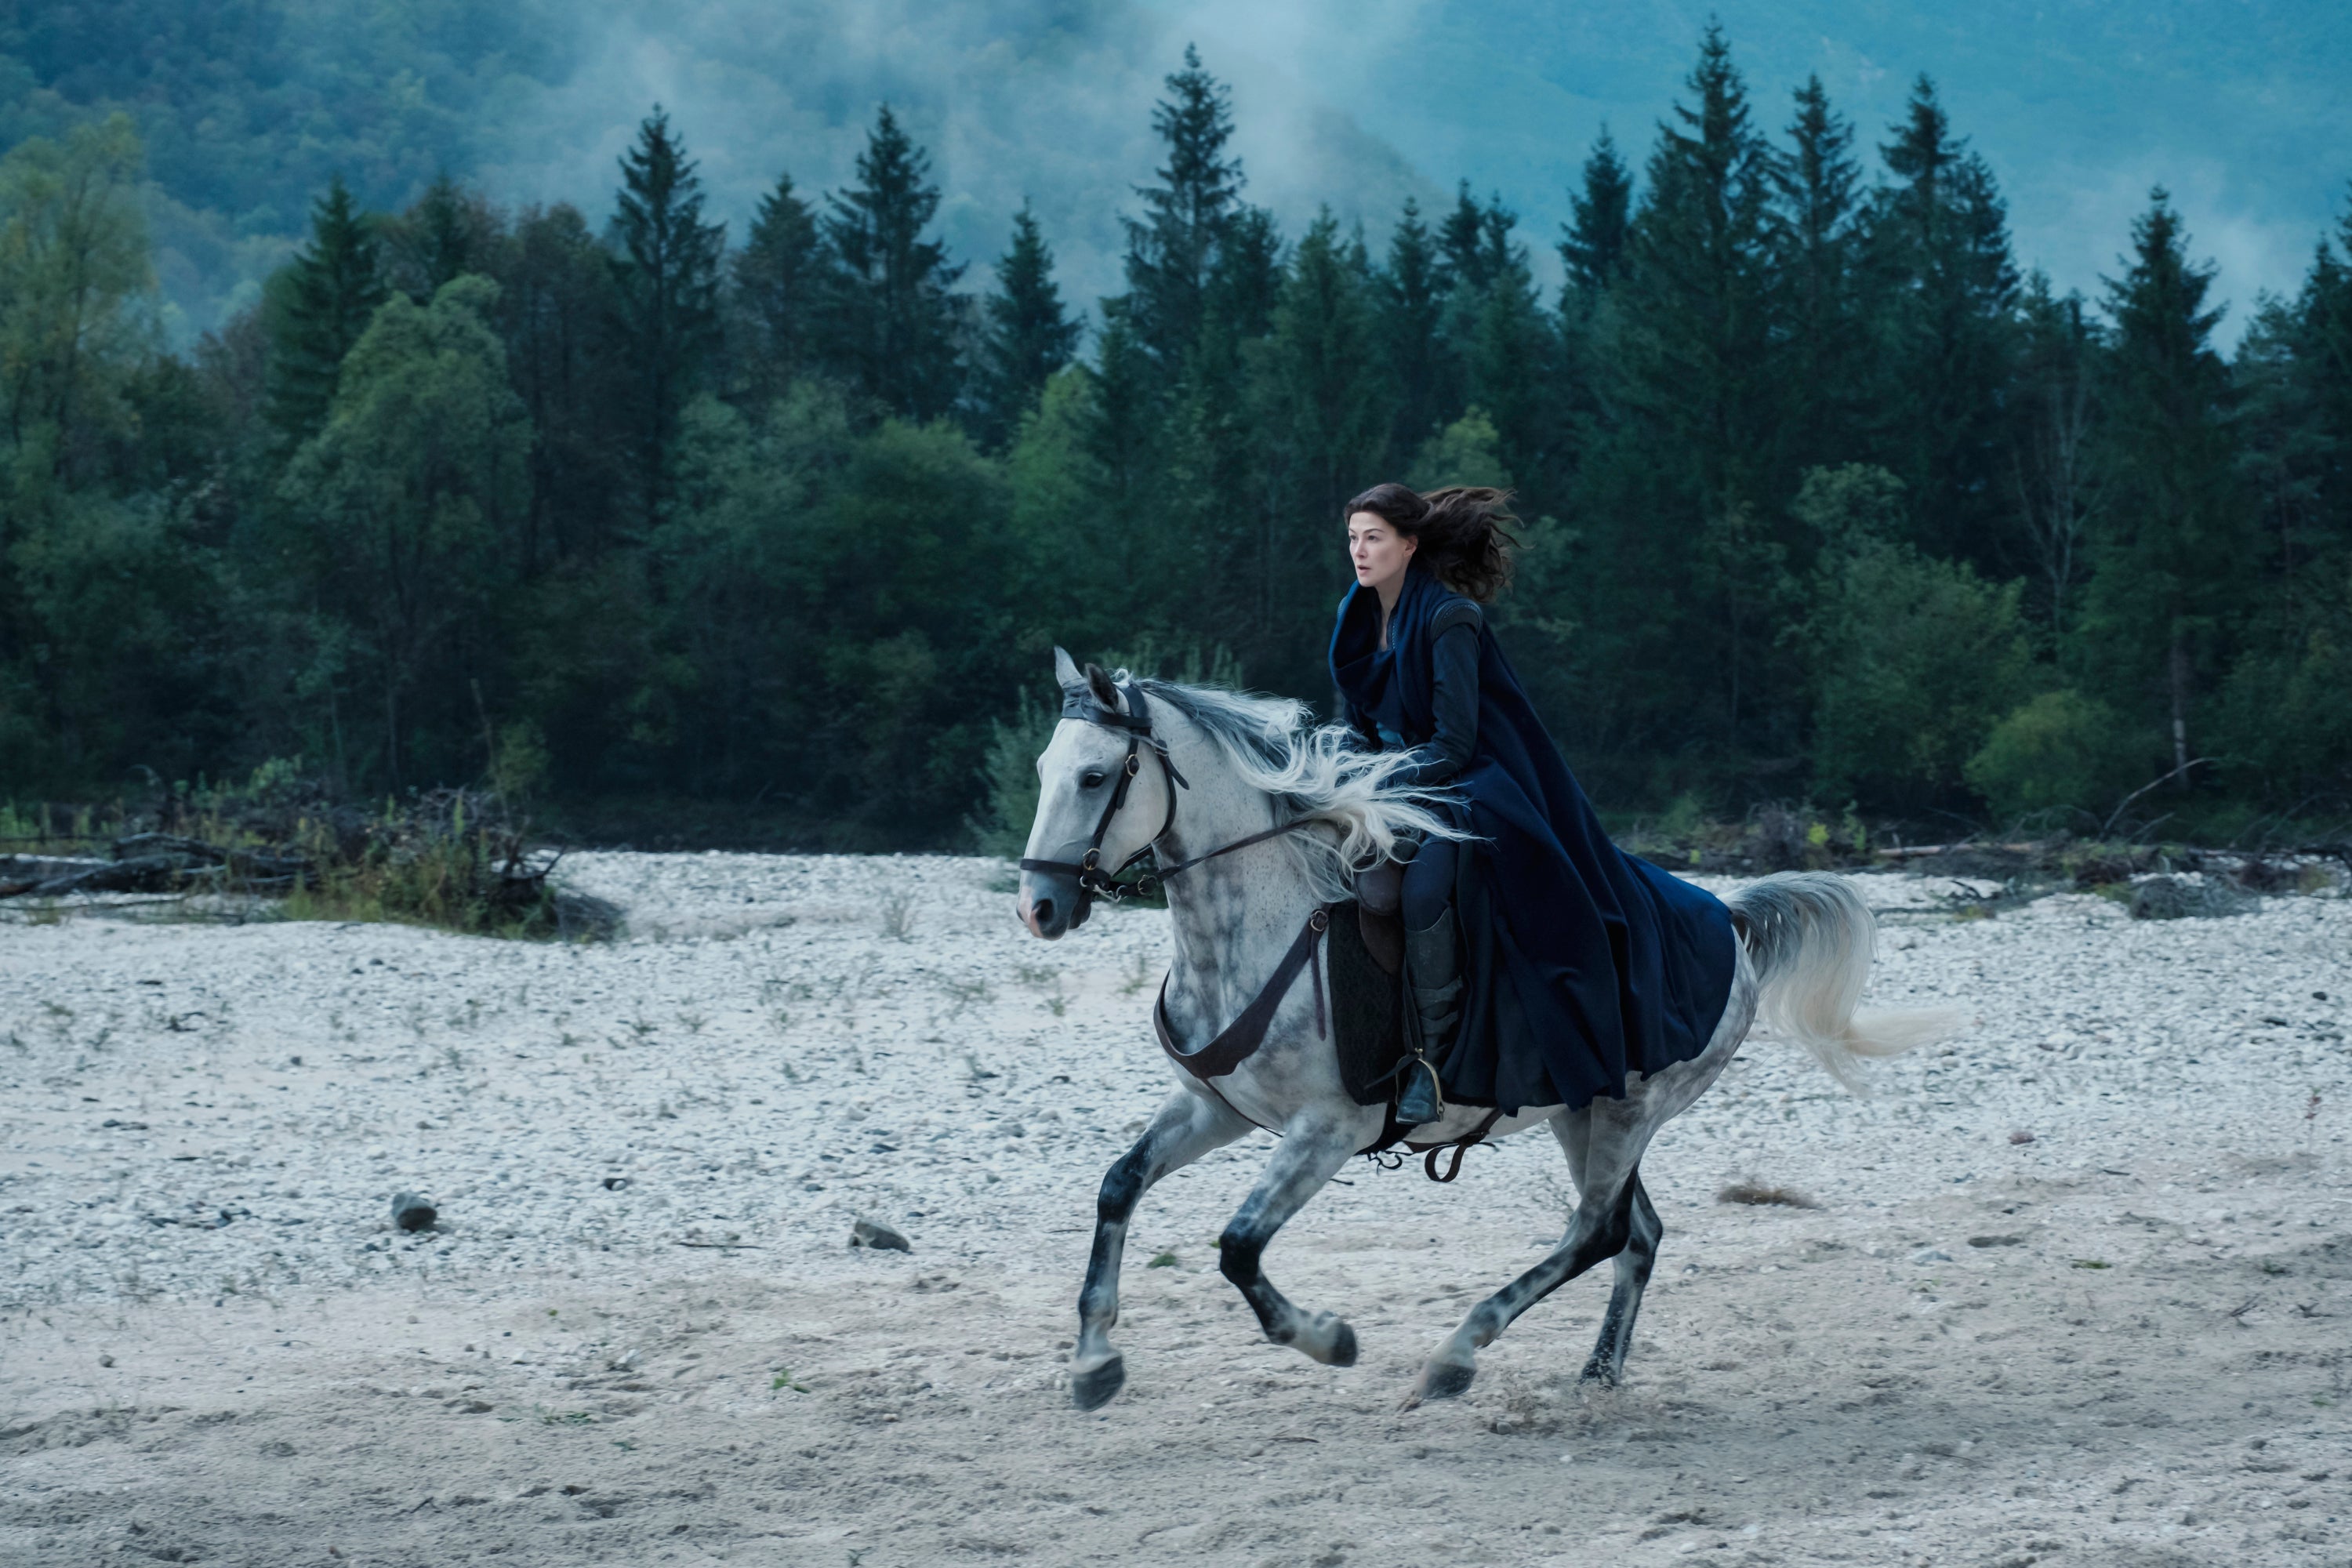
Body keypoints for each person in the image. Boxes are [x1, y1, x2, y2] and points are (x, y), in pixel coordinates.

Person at [1330, 483, 1738, 1127]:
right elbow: (1355, 721)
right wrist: (1340, 775)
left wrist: (1382, 782)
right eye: (1353, 537)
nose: (1359, 550)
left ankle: (1430, 1062)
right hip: (1382, 781)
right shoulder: (1355, 615)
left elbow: (1455, 741)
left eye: (1373, 537)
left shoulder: (1450, 618)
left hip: (1464, 782)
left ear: (1409, 545)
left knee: (1425, 890)